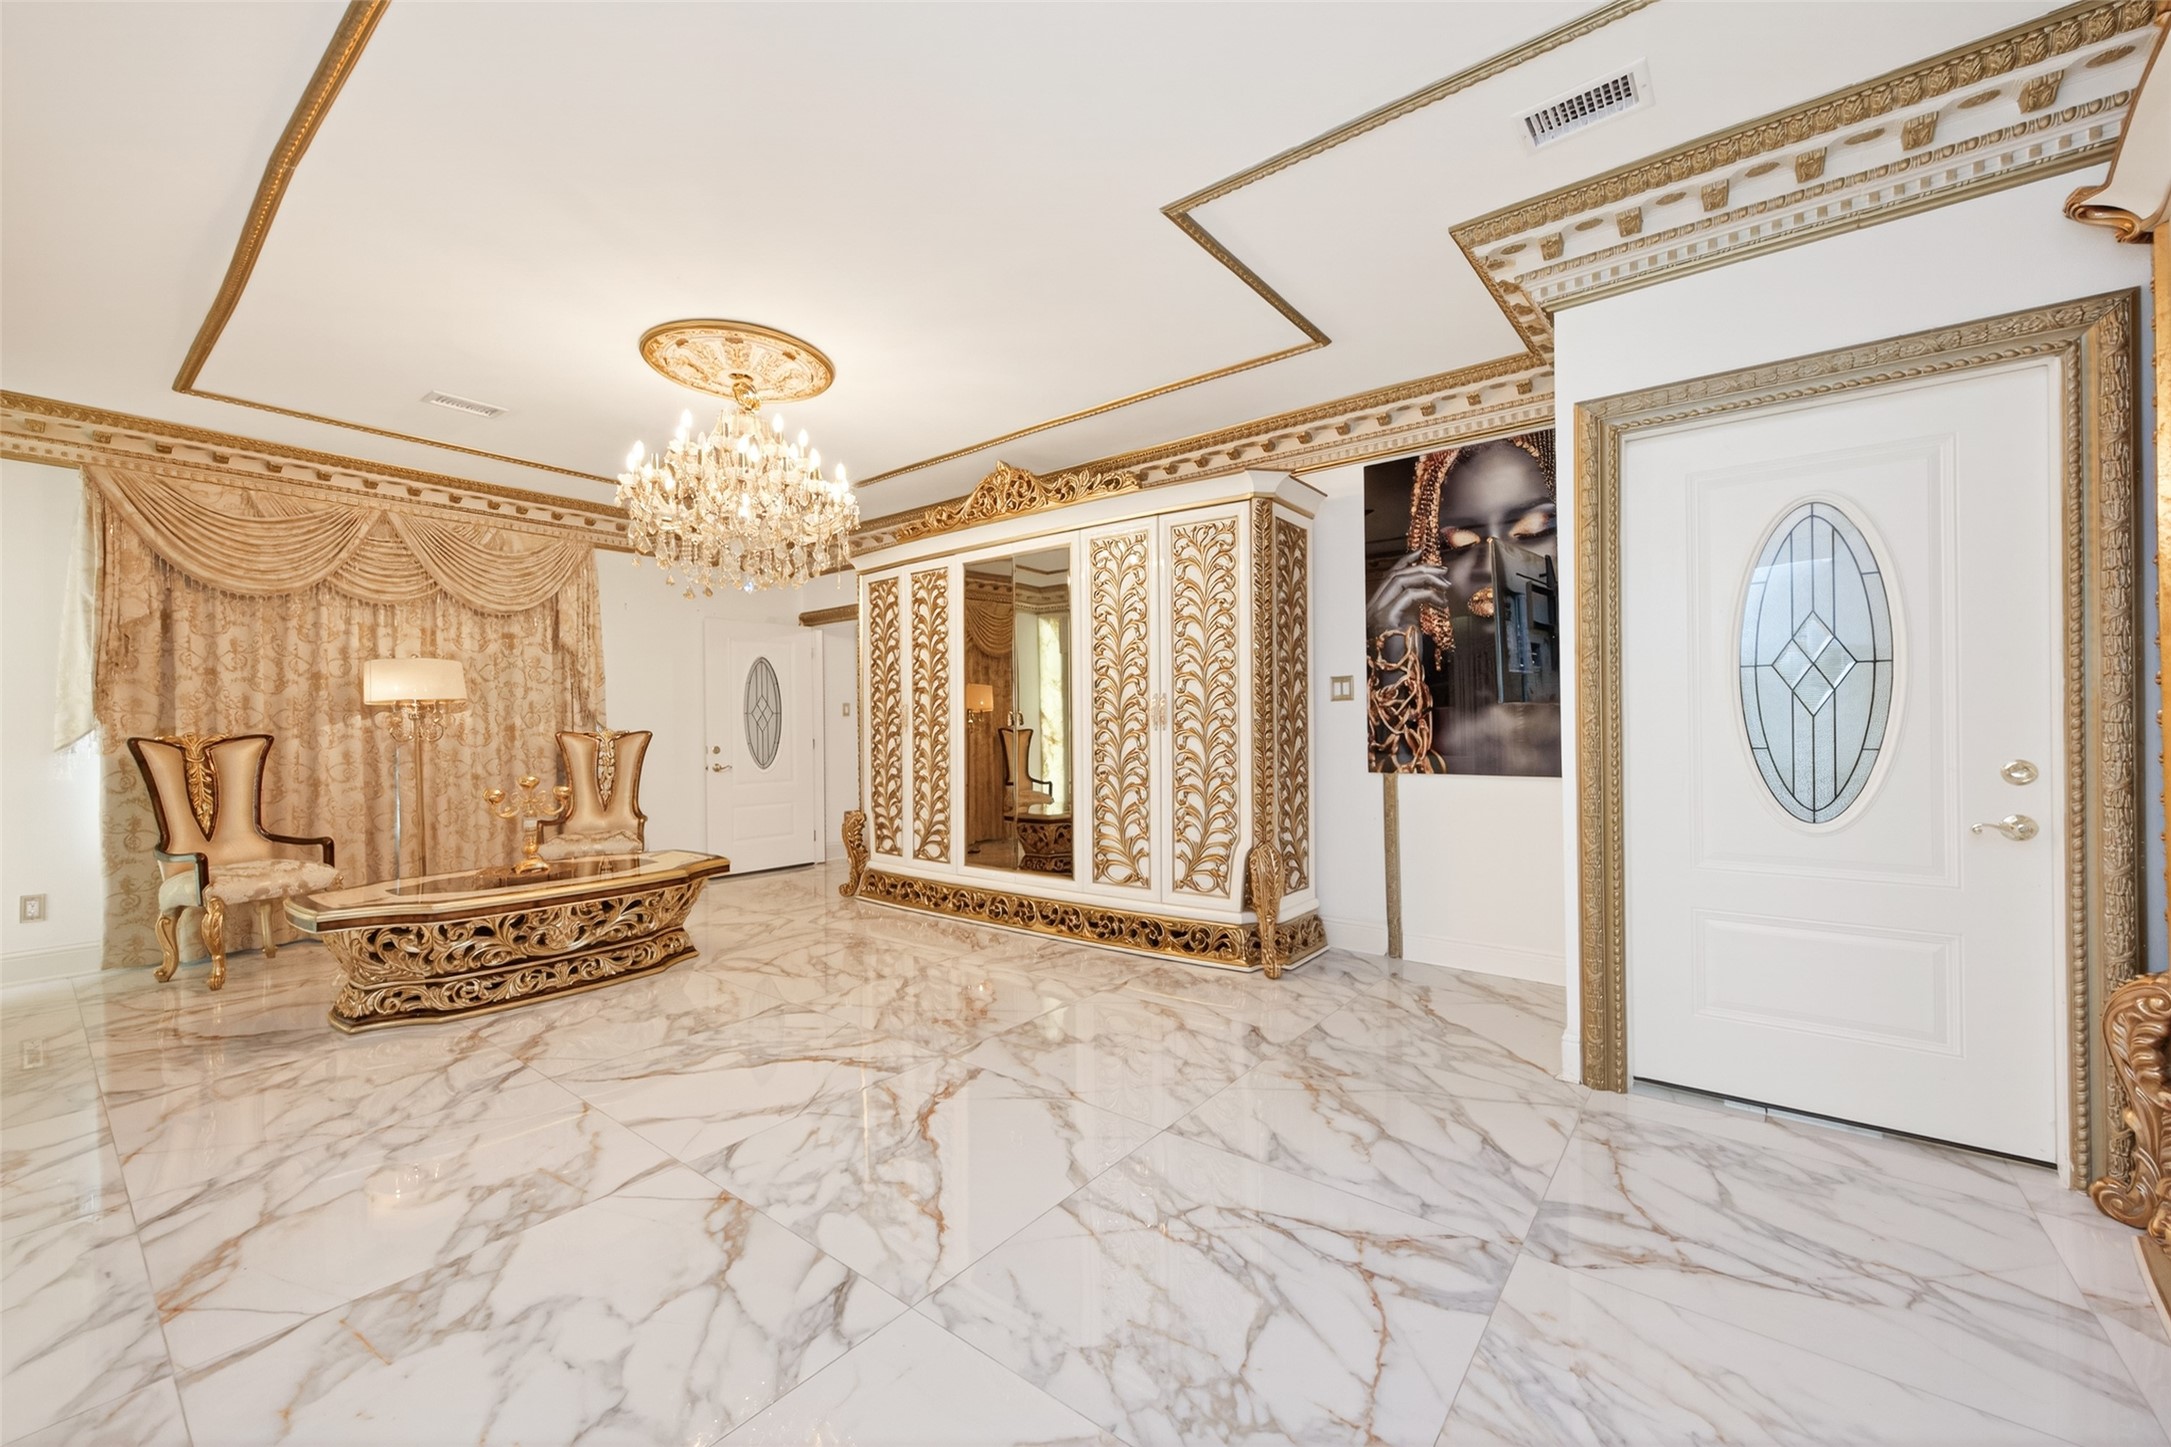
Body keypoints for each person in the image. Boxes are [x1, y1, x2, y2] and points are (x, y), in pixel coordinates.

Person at [1365, 435, 1559, 775]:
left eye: (1532, 529)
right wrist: (1390, 647)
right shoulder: (1442, 720)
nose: (1490, 562)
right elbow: (1394, 785)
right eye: (1460, 542)